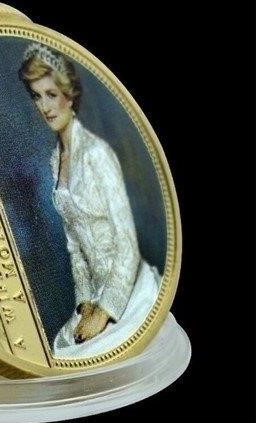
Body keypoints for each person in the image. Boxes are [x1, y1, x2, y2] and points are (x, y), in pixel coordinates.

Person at [19, 43, 160, 356]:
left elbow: (127, 242)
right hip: (93, 297)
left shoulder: (97, 154)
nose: (45, 106)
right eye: (37, 96)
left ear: (69, 96)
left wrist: (104, 313)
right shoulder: (56, 160)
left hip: (125, 290)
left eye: (51, 94)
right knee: (62, 348)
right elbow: (75, 246)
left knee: (87, 354)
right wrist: (85, 305)